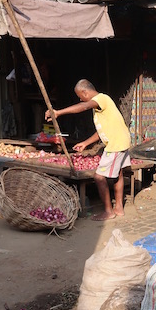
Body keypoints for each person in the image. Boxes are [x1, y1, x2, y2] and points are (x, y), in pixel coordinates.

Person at [45, 79, 132, 221]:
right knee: (118, 174)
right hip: (122, 140)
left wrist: (59, 113)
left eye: (80, 95)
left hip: (116, 144)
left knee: (98, 177)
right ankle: (119, 208)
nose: (80, 98)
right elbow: (101, 131)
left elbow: (84, 106)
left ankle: (108, 212)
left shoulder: (101, 99)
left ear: (85, 92)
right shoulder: (102, 104)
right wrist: (85, 143)